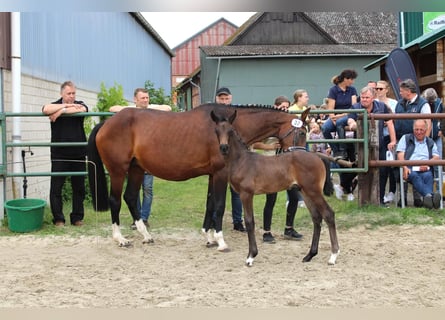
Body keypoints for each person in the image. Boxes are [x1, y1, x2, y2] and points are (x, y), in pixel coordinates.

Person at [110, 88, 171, 229]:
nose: (145, 100)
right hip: (135, 156)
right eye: (142, 98)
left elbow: (167, 108)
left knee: (148, 189)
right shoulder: (131, 111)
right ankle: (136, 217)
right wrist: (130, 109)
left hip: (149, 156)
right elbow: (113, 108)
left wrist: (150, 108)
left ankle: (144, 218)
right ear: (135, 100)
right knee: (134, 189)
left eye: (147, 97)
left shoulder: (151, 109)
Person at [251, 95, 303, 243]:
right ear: (275, 106)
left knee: (294, 197)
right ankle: (266, 232)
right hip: (271, 164)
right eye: (282, 107)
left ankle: (289, 228)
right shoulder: (267, 124)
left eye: (287, 107)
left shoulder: (290, 124)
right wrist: (270, 146)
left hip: (287, 164)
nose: (285, 110)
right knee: (271, 199)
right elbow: (254, 143)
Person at [42, 81, 88, 227]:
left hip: (78, 153)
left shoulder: (79, 104)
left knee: (79, 188)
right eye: (69, 93)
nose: (72, 96)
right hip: (59, 154)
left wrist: (61, 112)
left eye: (74, 93)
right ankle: (59, 219)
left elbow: (84, 109)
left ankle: (77, 218)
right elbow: (45, 109)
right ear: (62, 93)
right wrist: (66, 106)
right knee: (56, 188)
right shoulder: (54, 104)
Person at [347, 86, 397, 205]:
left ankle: (379, 199)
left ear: (373, 98)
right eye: (362, 97)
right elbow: (350, 120)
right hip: (361, 145)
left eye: (367, 97)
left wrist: (393, 140)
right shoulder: (355, 107)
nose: (364, 99)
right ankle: (364, 200)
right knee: (363, 170)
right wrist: (353, 124)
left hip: (379, 143)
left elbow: (390, 122)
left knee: (382, 170)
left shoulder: (381, 107)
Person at [394, 79, 431, 207]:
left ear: (408, 91)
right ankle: (402, 198)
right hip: (401, 140)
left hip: (416, 140)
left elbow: (428, 123)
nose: (400, 93)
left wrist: (423, 142)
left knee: (416, 167)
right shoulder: (399, 104)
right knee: (399, 168)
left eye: (402, 91)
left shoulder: (423, 104)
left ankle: (418, 198)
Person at [215, 87, 245, 232]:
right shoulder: (214, 117)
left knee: (237, 192)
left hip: (235, 161)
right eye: (221, 98)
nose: (224, 101)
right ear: (217, 99)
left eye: (226, 98)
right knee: (218, 191)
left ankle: (237, 221)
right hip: (218, 159)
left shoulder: (236, 116)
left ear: (231, 98)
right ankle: (215, 219)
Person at [396, 119, 441, 209]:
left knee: (428, 175)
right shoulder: (406, 138)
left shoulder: (430, 142)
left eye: (421, 130)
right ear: (413, 129)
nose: (419, 132)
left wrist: (427, 164)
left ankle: (428, 200)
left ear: (426, 130)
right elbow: (400, 155)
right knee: (414, 176)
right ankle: (431, 197)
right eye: (416, 129)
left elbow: (436, 156)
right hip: (410, 168)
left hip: (425, 168)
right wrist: (405, 167)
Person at [322, 69, 358, 160]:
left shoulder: (352, 90)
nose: (353, 82)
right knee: (325, 128)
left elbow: (353, 106)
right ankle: (336, 149)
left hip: (348, 115)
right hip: (336, 115)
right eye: (352, 79)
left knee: (339, 123)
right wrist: (333, 118)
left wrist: (339, 116)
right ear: (346, 79)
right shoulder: (333, 90)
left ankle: (343, 149)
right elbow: (330, 108)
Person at [375, 80, 398, 204]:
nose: (378, 91)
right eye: (377, 89)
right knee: (381, 167)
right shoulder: (374, 103)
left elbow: (394, 118)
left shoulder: (393, 103)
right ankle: (381, 194)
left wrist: (388, 120)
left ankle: (392, 191)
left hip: (389, 136)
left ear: (386, 90)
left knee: (391, 166)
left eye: (381, 89)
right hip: (378, 137)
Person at [421, 88, 443, 190]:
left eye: (431, 101)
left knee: (438, 162)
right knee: (424, 161)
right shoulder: (421, 103)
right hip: (424, 136)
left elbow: (442, 117)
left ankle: (439, 192)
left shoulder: (439, 103)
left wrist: (442, 129)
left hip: (436, 137)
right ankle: (428, 191)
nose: (430, 103)